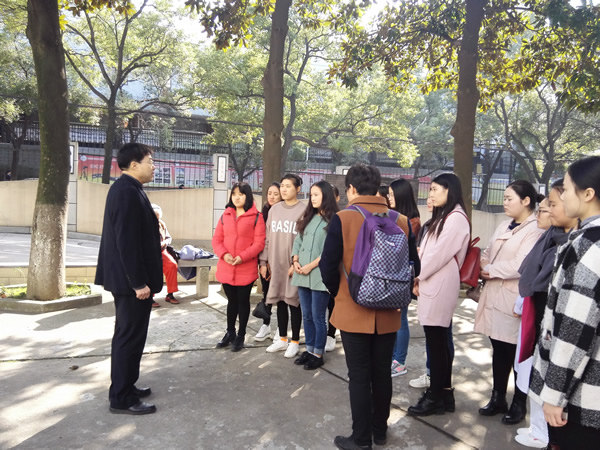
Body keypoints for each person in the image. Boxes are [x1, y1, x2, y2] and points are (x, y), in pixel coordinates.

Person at [319, 164, 420, 450]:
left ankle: (361, 439)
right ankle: (379, 431)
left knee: (359, 377)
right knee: (382, 374)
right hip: (389, 312)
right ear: (378, 187)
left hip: (353, 311)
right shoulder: (400, 220)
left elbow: (327, 266)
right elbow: (415, 264)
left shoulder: (344, 218)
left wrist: (340, 294)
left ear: (351, 189)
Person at [529, 156, 600, 450]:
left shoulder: (587, 246)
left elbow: (574, 329)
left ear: (588, 194)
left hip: (583, 397)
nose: (562, 196)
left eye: (567, 189)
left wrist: (555, 394)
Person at [95, 143, 163, 415]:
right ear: (134, 164)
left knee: (132, 336)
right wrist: (138, 283)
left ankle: (127, 385)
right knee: (128, 337)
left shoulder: (130, 189)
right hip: (130, 284)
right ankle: (121, 398)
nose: (154, 166)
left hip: (129, 281)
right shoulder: (126, 192)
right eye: (150, 161)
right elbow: (127, 242)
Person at [474, 180, 544, 424]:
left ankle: (518, 403)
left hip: (513, 298)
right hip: (493, 293)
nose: (504, 203)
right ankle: (498, 397)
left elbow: (520, 264)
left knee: (517, 352)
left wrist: (490, 270)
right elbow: (486, 252)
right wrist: (484, 265)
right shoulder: (504, 224)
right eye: (503, 198)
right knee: (498, 348)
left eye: (509, 198)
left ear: (526, 201)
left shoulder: (535, 229)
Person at [514, 188, 576, 449]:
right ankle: (540, 430)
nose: (545, 210)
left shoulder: (575, 244)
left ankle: (545, 433)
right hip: (539, 310)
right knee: (534, 368)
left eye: (551, 204)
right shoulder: (549, 237)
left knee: (550, 375)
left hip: (554, 321)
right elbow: (530, 273)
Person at [406, 173, 470, 416]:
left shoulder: (455, 219)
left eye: (434, 189)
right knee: (438, 341)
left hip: (439, 281)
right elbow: (427, 251)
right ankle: (443, 393)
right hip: (434, 280)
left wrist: (417, 275)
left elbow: (436, 255)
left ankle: (435, 396)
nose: (430, 193)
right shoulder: (445, 217)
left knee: (437, 343)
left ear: (448, 190)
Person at [212, 182, 266, 352]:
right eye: (234, 194)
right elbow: (217, 240)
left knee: (243, 301)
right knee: (231, 301)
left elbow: (259, 243)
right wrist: (224, 254)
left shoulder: (257, 217)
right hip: (227, 266)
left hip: (245, 267)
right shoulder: (225, 215)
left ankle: (241, 335)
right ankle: (230, 332)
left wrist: (242, 257)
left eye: (241, 194)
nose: (237, 197)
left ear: (247, 196)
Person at [291, 180, 339, 370]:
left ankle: (318, 353)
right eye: (311, 195)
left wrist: (309, 266)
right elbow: (298, 240)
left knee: (319, 316)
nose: (313, 198)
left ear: (326, 196)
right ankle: (309, 349)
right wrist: (295, 260)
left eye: (316, 194)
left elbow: (329, 251)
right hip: (302, 272)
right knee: (307, 315)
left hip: (319, 275)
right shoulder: (309, 216)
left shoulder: (333, 221)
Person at [260, 174, 305, 358]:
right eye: (283, 186)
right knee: (279, 301)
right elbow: (267, 237)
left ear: (298, 189)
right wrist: (264, 262)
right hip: (275, 264)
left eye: (288, 186)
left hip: (293, 265)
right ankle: (283, 339)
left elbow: (305, 240)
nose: (284, 189)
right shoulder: (274, 209)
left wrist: (296, 262)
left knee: (294, 303)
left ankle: (295, 341)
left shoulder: (304, 210)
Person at [388, 178, 421, 377]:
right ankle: (393, 357)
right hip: (391, 276)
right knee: (393, 319)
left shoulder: (411, 221)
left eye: (392, 194)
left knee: (400, 318)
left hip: (402, 277)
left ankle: (399, 361)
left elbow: (407, 252)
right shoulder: (394, 217)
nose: (389, 197)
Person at [254, 182, 282, 342]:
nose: (272, 196)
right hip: (264, 259)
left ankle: (281, 329)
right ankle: (266, 325)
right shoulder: (263, 213)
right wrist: (263, 262)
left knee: (281, 296)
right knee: (267, 293)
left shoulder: (284, 213)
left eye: (275, 194)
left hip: (280, 261)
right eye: (269, 193)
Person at [151, 204, 179, 308]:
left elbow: (168, 237)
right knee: (151, 270)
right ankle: (150, 297)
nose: (157, 219)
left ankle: (170, 294)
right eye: (155, 217)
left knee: (172, 265)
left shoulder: (162, 224)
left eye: (158, 217)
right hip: (149, 252)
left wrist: (165, 242)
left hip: (162, 251)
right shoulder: (144, 224)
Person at [325, 185, 341, 353]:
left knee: (332, 303)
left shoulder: (338, 218)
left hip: (332, 269)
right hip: (315, 270)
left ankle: (331, 334)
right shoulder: (313, 216)